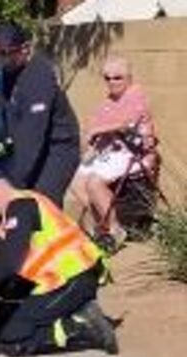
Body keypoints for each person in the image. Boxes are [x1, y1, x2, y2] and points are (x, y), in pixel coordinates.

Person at [0, 169, 118, 357]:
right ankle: (76, 311)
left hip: (70, 279)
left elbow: (11, 260)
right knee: (7, 316)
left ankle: (79, 326)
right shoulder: (30, 199)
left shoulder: (19, 208)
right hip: (75, 274)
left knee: (13, 338)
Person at [0, 23, 80, 208]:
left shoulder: (40, 78)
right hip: (20, 142)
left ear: (25, 49)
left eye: (6, 54)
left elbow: (31, 137)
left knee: (40, 203)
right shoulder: (3, 74)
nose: (1, 60)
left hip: (56, 149)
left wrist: (12, 183)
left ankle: (52, 235)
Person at [71, 57, 157, 250]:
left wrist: (96, 131)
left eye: (117, 78)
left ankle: (115, 229)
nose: (112, 82)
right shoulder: (108, 101)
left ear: (129, 78)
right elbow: (92, 127)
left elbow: (126, 123)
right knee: (76, 180)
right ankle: (102, 226)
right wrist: (90, 141)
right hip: (110, 153)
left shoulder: (137, 95)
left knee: (94, 181)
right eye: (107, 78)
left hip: (134, 154)